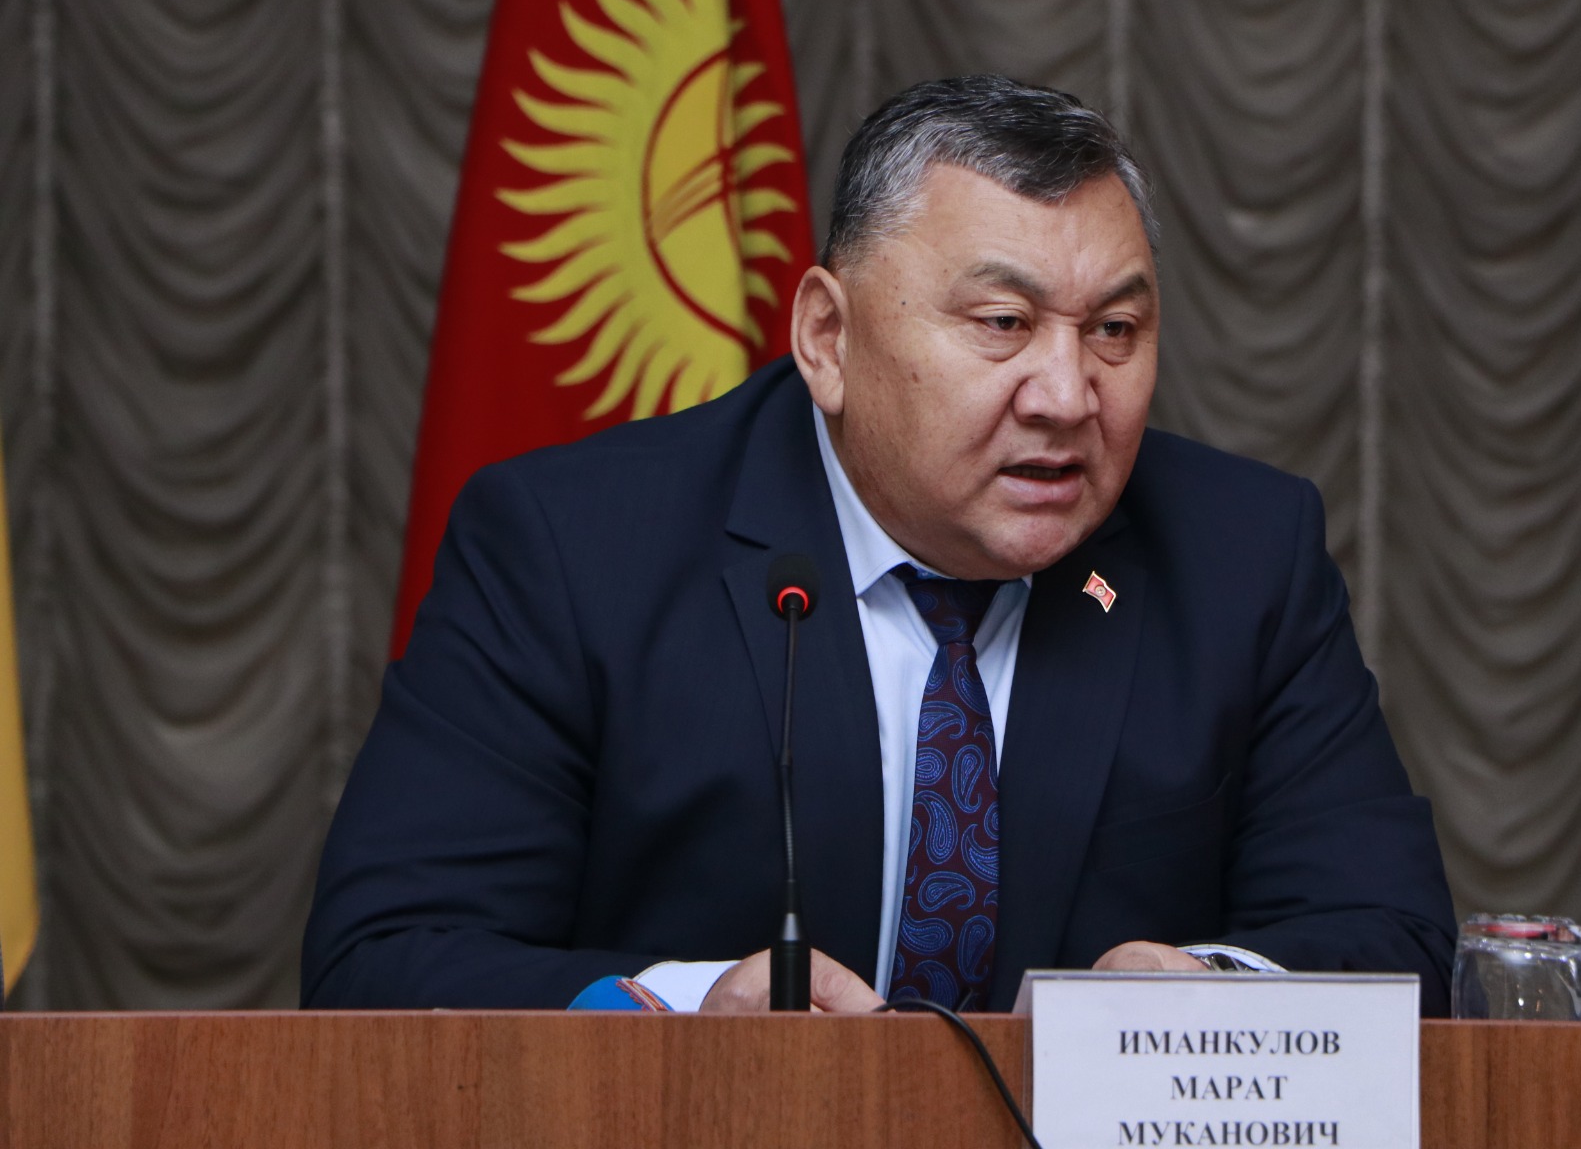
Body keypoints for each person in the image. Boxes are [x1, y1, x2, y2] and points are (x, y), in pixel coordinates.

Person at [302, 75, 1456, 1015]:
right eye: (1002, 323)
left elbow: (1397, 944)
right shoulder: (573, 547)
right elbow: (382, 961)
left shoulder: (1242, 555)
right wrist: (683, 1011)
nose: (1068, 394)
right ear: (827, 336)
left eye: (1115, 329)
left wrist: (1214, 986)